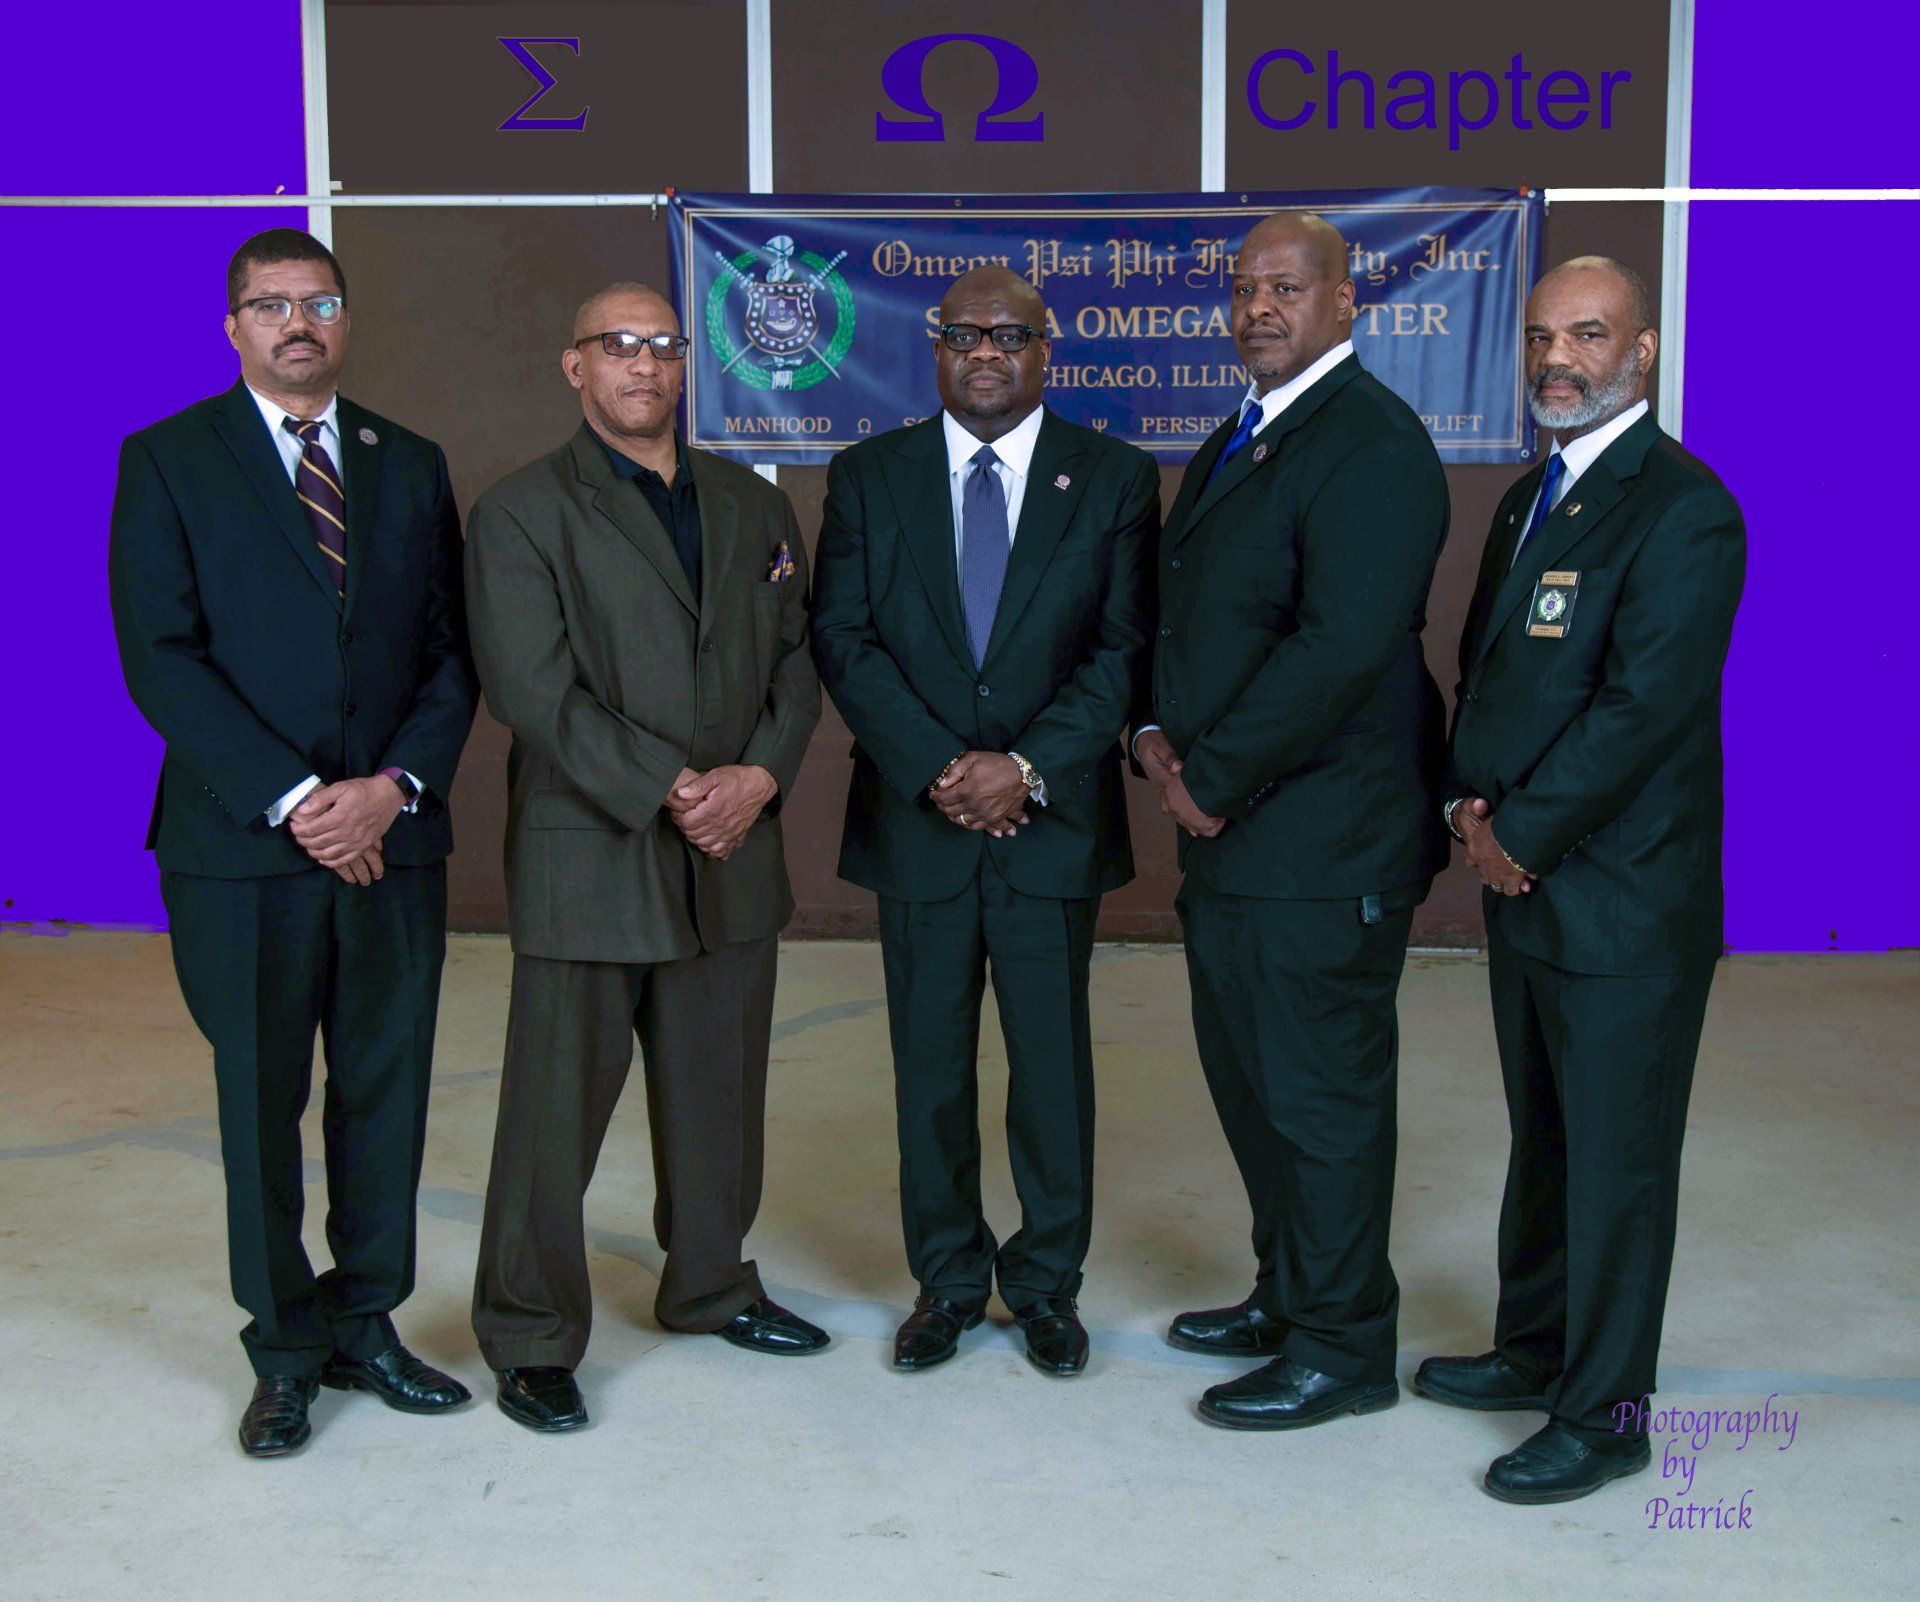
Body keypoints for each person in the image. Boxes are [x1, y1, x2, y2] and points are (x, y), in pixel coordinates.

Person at [109, 227, 479, 1457]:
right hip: (242, 847)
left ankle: (368, 1322)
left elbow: (448, 654)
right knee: (261, 1102)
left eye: (317, 302)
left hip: (393, 839)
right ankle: (283, 1350)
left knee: (384, 1092)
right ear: (234, 328)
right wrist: (303, 799)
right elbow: (160, 658)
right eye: (270, 306)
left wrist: (390, 790)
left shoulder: (409, 463)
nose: (296, 323)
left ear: (345, 318)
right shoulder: (166, 459)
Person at [1414, 257, 1746, 1504]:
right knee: (1545, 1139)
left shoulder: (1685, 509)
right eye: (1545, 336)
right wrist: (1463, 803)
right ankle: (1536, 1349)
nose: (1560, 358)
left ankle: (1606, 1417)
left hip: (1621, 903)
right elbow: (1485, 674)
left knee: (1616, 1159)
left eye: (1590, 336)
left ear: (1642, 354)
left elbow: (1640, 710)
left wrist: (1520, 834)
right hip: (1527, 885)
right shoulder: (1530, 497)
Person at [466, 282, 825, 1433]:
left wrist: (760, 778)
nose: (645, 364)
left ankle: (712, 1285)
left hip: (734, 847)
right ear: (575, 367)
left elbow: (796, 662)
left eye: (664, 345)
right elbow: (533, 689)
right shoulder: (524, 511)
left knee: (719, 1097)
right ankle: (529, 1335)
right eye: (617, 345)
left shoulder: (750, 503)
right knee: (550, 1120)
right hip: (597, 850)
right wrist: (675, 790)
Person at [1133, 212, 1450, 1430]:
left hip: (1321, 840)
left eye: (1286, 287)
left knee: (1320, 1103)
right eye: (1244, 288)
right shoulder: (1248, 430)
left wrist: (1212, 774)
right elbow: (1194, 616)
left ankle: (1344, 1346)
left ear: (1345, 301)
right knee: (1254, 1086)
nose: (1258, 307)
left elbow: (1340, 647)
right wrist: (1155, 733)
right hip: (1235, 835)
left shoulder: (1368, 441)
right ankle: (1292, 1290)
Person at [812, 267, 1158, 1376]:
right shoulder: (868, 477)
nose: (989, 352)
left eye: (1013, 334)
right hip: (923, 825)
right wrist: (940, 769)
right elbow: (844, 638)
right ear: (937, 348)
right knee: (931, 1070)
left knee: (1053, 1073)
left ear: (1046, 349)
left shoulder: (1111, 477)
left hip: (1046, 824)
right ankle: (950, 1283)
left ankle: (1047, 1286)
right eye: (967, 335)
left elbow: (1122, 651)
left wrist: (1025, 767)